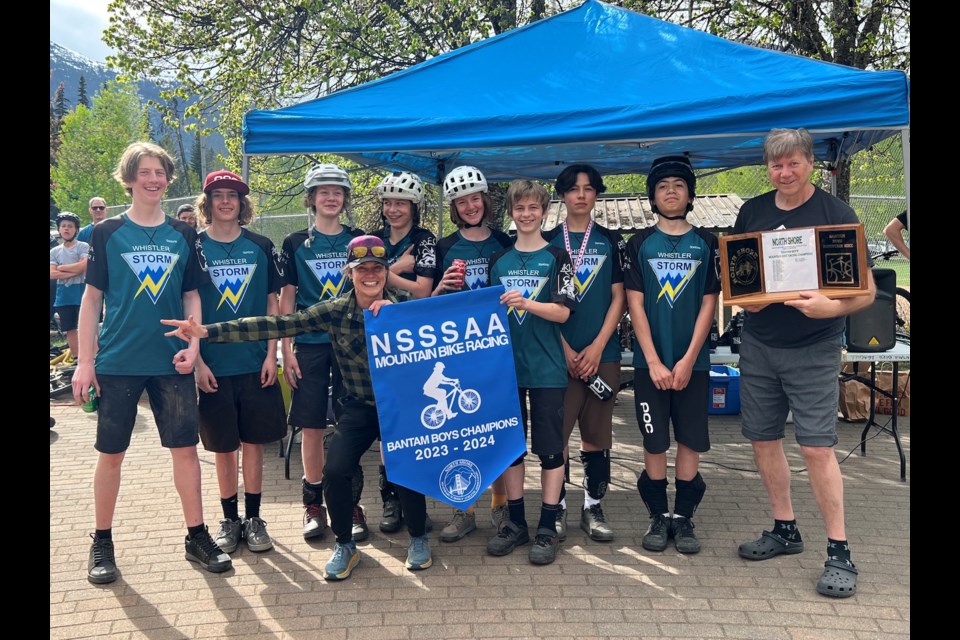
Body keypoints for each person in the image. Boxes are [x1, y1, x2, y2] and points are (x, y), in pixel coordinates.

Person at [162, 235, 434, 581]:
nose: (370, 275)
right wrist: (207, 332)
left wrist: (402, 316)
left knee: (405, 469)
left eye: (377, 269)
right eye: (362, 269)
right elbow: (277, 324)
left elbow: (447, 324)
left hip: (398, 408)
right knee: (335, 471)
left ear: (384, 273)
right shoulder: (336, 310)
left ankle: (418, 538)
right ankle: (345, 544)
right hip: (357, 408)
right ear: (349, 273)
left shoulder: (405, 308)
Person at [72, 141, 231, 585]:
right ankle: (101, 541)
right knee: (111, 455)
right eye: (145, 172)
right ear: (129, 178)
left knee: (185, 450)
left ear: (168, 179)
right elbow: (91, 300)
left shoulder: (183, 235)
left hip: (170, 363)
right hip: (118, 361)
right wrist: (86, 362)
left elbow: (192, 295)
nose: (153, 180)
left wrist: (194, 350)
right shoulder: (105, 233)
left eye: (160, 172)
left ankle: (196, 536)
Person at [733, 128, 876, 598]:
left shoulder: (836, 214)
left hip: (814, 346)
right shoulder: (752, 212)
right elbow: (740, 277)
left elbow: (867, 292)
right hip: (759, 344)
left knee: (816, 447)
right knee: (763, 438)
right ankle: (785, 528)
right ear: (767, 168)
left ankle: (839, 550)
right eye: (776, 165)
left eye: (793, 163)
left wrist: (832, 308)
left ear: (810, 163)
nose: (785, 173)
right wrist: (746, 301)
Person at [624, 156, 720, 554]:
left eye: (679, 185)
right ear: (653, 195)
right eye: (662, 186)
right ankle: (658, 516)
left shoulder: (707, 243)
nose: (671, 191)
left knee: (690, 440)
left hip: (692, 366)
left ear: (689, 193)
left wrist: (686, 360)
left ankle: (683, 518)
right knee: (654, 442)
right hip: (652, 365)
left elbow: (709, 306)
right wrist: (654, 361)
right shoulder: (637, 243)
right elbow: (635, 305)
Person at [192, 170, 287, 555]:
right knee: (222, 448)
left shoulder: (261, 245)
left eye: (233, 195)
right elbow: (189, 305)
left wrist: (271, 354)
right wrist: (198, 362)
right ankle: (229, 519)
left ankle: (254, 517)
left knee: (253, 445)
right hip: (214, 365)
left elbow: (272, 303)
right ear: (208, 203)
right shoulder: (194, 247)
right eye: (218, 196)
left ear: (242, 203)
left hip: (254, 362)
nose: (226, 202)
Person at [487, 179, 576, 565]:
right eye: (519, 208)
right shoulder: (498, 261)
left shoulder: (559, 257)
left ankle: (547, 528)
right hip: (505, 372)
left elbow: (564, 311)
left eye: (533, 208)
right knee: (510, 451)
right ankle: (516, 522)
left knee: (551, 451)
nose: (526, 214)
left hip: (547, 370)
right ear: (511, 212)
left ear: (544, 212)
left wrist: (527, 302)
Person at [279, 164, 367, 543]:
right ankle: (313, 503)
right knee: (312, 425)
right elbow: (286, 298)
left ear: (345, 199)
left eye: (337, 192)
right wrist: (286, 349)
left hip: (351, 345)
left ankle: (349, 503)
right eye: (323, 192)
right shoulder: (295, 242)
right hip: (311, 345)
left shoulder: (359, 239)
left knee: (354, 425)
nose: (331, 198)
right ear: (311, 198)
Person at [543, 164, 627, 543]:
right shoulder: (545, 242)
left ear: (597, 195)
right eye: (573, 189)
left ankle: (593, 506)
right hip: (554, 355)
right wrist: (565, 349)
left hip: (601, 355)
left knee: (596, 437)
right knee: (555, 437)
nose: (581, 195)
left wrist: (596, 347)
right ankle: (555, 507)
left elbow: (619, 298)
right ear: (561, 195)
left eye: (589, 188)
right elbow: (541, 303)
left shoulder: (611, 241)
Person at [432, 165, 513, 543]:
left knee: (494, 430)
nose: (469, 206)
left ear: (486, 200)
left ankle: (500, 507)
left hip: (497, 349)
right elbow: (427, 305)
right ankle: (462, 509)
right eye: (461, 201)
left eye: (475, 198)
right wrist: (442, 287)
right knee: (459, 433)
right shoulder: (444, 246)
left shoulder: (505, 241)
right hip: (457, 350)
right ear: (454, 207)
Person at [370, 171, 437, 534]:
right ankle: (390, 499)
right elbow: (361, 283)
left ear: (414, 207)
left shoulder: (424, 240)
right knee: (386, 426)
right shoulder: (373, 239)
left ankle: (416, 502)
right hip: (377, 340)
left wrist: (382, 274)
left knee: (412, 424)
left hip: (411, 341)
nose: (394, 209)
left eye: (401, 203)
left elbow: (423, 291)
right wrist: (396, 269)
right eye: (389, 202)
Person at [49, 211, 90, 358]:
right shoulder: (54, 251)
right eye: (63, 226)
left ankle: (93, 357)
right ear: (59, 230)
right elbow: (51, 273)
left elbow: (84, 266)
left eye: (70, 226)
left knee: (87, 327)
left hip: (82, 293)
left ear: (76, 229)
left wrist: (60, 268)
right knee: (70, 329)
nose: (66, 229)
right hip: (64, 296)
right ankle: (77, 358)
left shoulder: (83, 246)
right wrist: (75, 269)